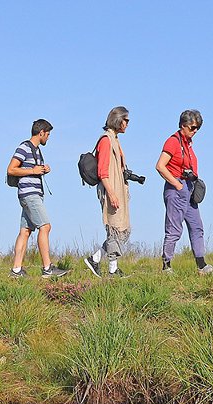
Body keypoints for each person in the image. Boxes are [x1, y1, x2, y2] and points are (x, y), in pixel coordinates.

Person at [156, 110, 213, 275]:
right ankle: (166, 267)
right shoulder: (173, 142)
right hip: (176, 189)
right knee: (174, 229)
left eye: (198, 128)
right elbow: (160, 166)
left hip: (189, 190)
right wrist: (177, 185)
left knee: (197, 227)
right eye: (193, 127)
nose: (195, 131)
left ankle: (202, 266)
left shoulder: (188, 143)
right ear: (183, 125)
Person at [7, 119, 68, 278]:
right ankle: (47, 268)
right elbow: (11, 169)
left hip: (32, 194)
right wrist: (33, 170)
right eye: (48, 134)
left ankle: (16, 270)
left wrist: (42, 170)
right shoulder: (24, 147)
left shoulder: (37, 151)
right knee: (45, 226)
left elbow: (31, 170)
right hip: (29, 194)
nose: (48, 137)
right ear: (41, 133)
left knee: (25, 231)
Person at [84, 106, 133, 278]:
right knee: (115, 228)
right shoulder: (106, 140)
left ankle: (100, 261)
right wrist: (111, 193)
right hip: (110, 188)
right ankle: (107, 266)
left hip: (117, 188)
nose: (127, 124)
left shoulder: (115, 140)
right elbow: (102, 172)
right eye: (125, 120)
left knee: (120, 229)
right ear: (118, 119)